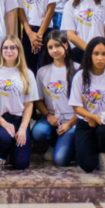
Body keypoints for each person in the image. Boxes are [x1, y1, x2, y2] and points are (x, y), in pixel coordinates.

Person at [0, 35, 38, 170]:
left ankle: (12, 152)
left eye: (13, 47)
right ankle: (1, 153)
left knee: (21, 164)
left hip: (19, 120)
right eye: (5, 48)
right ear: (1, 51)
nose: (9, 51)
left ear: (19, 50)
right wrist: (4, 123)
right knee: (4, 138)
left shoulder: (27, 73)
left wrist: (23, 129)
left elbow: (29, 105)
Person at [70, 37, 105, 173]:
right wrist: (92, 117)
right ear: (89, 55)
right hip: (86, 121)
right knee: (87, 166)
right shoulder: (80, 76)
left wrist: (103, 118)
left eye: (104, 54)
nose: (100, 58)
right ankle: (88, 149)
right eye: (96, 54)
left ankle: (102, 152)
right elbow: (77, 107)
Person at [32, 30, 78, 167]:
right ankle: (55, 143)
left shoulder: (77, 69)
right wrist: (48, 116)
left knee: (60, 160)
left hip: (73, 121)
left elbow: (84, 104)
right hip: (53, 120)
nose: (54, 50)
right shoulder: (42, 71)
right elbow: (38, 100)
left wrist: (70, 123)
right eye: (50, 47)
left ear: (66, 45)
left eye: (57, 46)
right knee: (38, 132)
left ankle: (70, 145)